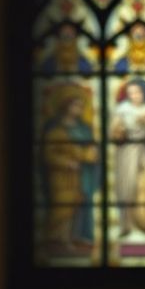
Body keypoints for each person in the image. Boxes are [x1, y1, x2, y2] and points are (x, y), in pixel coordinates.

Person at [40, 87, 99, 255]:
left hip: (80, 175)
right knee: (62, 207)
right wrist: (66, 162)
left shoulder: (85, 128)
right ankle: (54, 239)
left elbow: (90, 150)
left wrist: (91, 155)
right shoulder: (55, 130)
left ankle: (72, 238)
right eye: (76, 105)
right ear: (65, 106)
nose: (79, 109)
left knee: (76, 206)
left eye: (81, 106)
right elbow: (48, 154)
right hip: (60, 177)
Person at [110, 78, 145, 238]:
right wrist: (122, 129)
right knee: (128, 187)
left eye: (137, 92)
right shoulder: (122, 110)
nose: (134, 96)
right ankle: (126, 225)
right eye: (131, 93)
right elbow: (114, 134)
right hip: (128, 154)